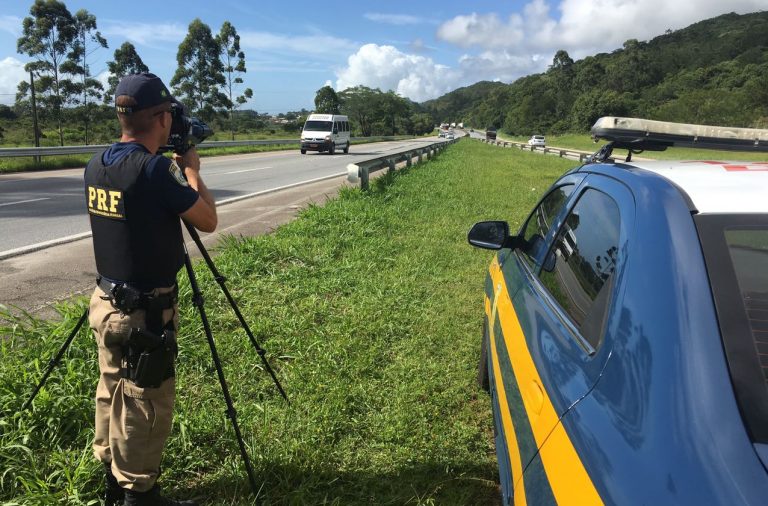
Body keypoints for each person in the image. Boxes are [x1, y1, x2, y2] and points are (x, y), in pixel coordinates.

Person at [84, 73, 217, 506]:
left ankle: (112, 479)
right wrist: (191, 167)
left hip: (106, 302)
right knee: (145, 402)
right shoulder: (156, 170)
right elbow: (207, 220)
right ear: (161, 118)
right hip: (145, 315)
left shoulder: (97, 163)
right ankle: (140, 494)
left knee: (111, 390)